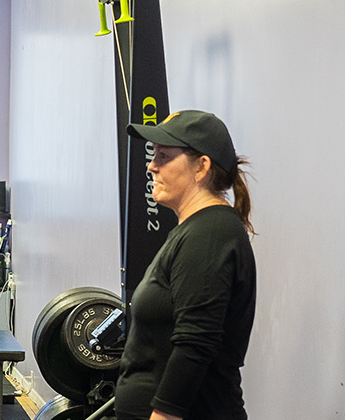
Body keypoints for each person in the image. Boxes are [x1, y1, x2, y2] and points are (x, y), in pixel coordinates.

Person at [115, 110, 257, 420]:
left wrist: (163, 416)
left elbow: (196, 343)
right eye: (153, 155)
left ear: (201, 167)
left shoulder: (211, 234)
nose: (152, 165)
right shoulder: (196, 230)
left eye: (164, 156)